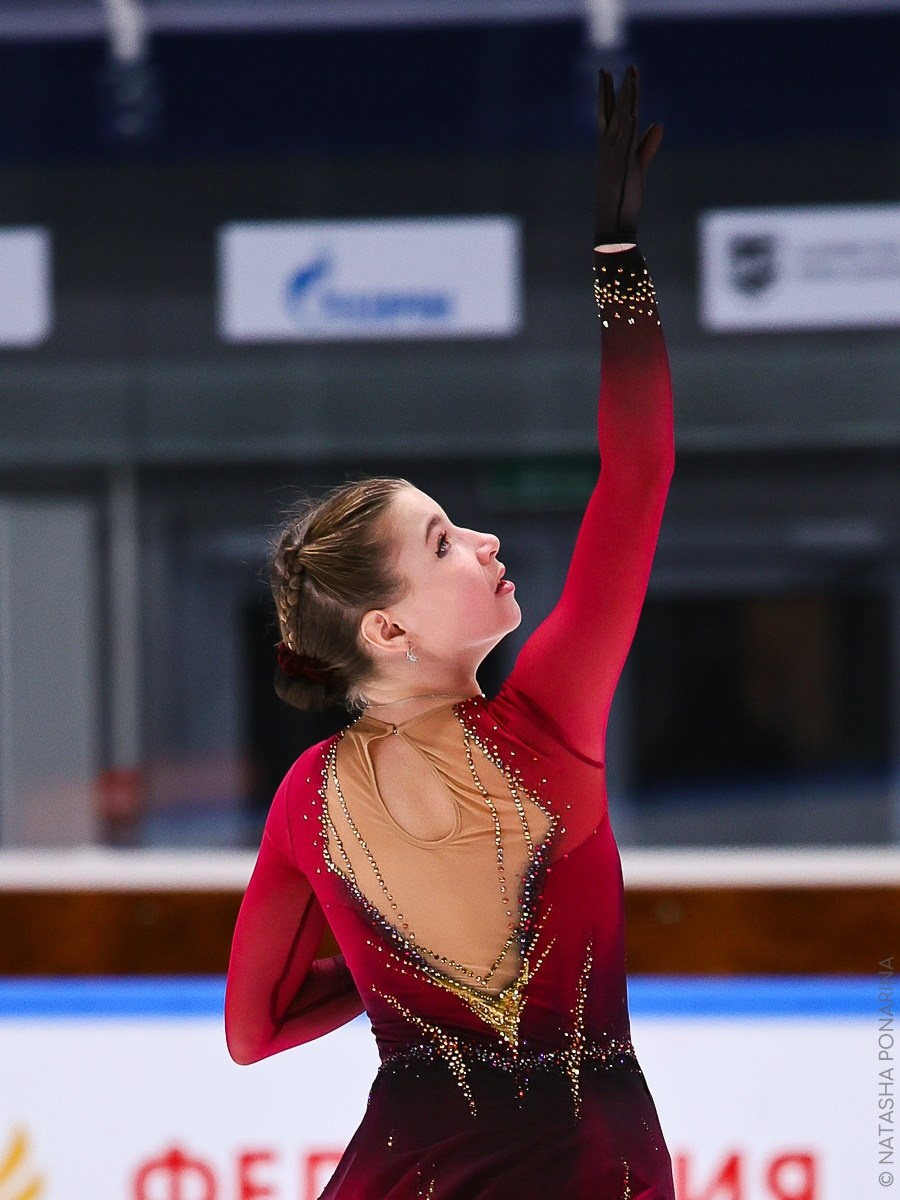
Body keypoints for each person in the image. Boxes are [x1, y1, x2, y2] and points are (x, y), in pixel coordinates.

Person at [226, 65, 676, 1199]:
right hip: (594, 1169)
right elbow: (639, 473)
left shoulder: (307, 803)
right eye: (440, 543)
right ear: (387, 629)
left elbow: (253, 1032)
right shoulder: (552, 719)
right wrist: (619, 270)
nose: (479, 541)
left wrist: (395, 1002)